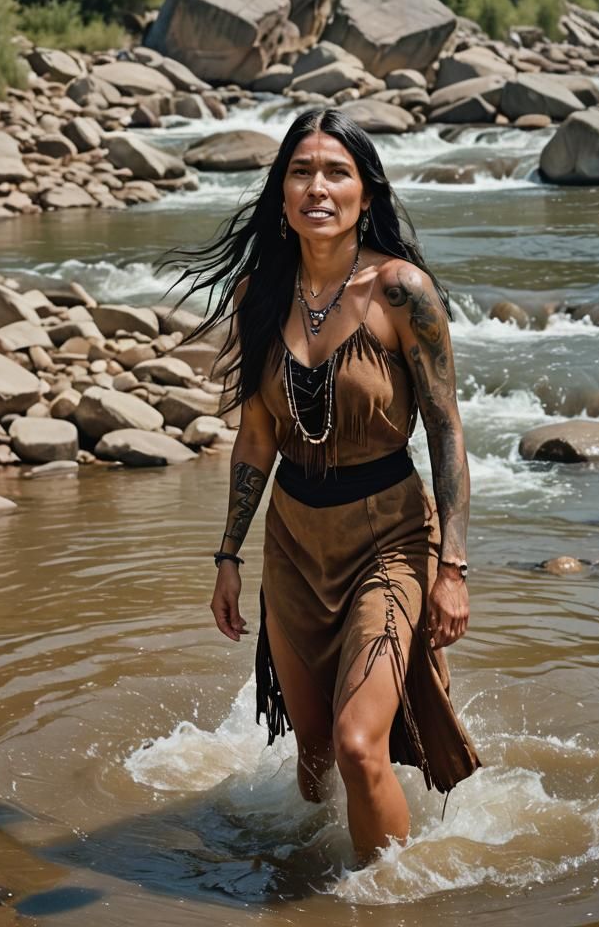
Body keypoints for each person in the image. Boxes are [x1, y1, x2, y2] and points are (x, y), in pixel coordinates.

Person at [174, 107, 480, 864]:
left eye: (336, 172)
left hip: (390, 539)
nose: (317, 186)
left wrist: (453, 568)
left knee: (355, 743)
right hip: (293, 543)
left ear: (365, 195)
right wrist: (226, 557)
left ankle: (389, 902)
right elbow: (255, 436)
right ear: (281, 194)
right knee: (312, 752)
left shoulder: (402, 292)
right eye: (300, 172)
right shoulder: (259, 296)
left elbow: (445, 430)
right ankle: (312, 870)